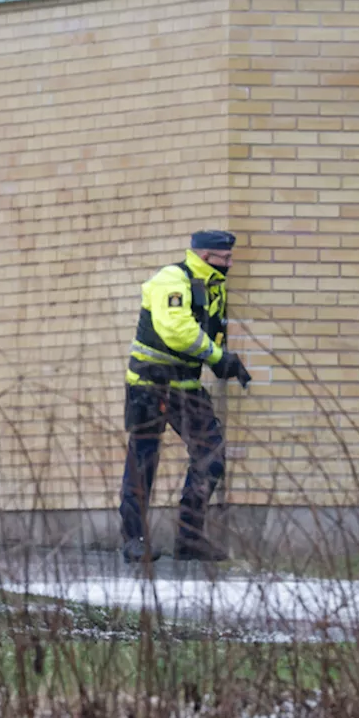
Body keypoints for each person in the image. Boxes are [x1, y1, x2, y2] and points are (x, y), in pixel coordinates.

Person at [119, 229, 252, 565]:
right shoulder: (172, 279)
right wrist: (218, 357)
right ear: (206, 256)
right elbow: (176, 331)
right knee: (143, 461)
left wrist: (226, 362)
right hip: (150, 384)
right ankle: (134, 541)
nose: (230, 263)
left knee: (211, 455)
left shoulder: (213, 288)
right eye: (225, 258)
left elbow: (209, 332)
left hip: (186, 387)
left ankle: (190, 539)